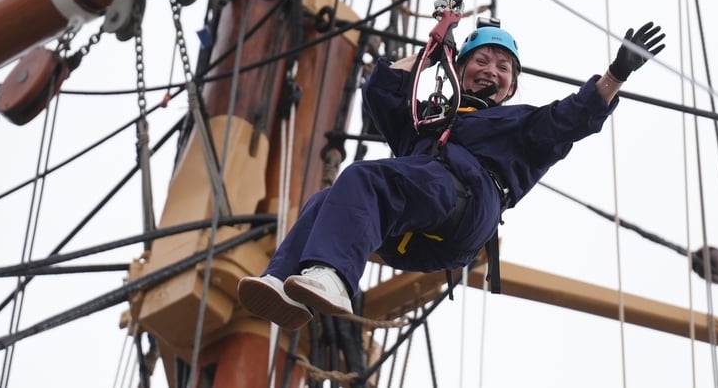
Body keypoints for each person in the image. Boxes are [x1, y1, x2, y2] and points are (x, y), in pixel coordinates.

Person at [237, 21, 666, 330]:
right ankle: (282, 282)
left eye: (503, 67)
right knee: (324, 201)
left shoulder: (521, 124)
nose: (491, 70)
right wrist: (435, 44)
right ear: (460, 71)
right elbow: (380, 90)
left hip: (466, 202)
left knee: (364, 179)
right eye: (480, 60)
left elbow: (574, 117)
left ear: (511, 87)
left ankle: (332, 277)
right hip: (413, 232)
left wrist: (616, 74)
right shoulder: (426, 120)